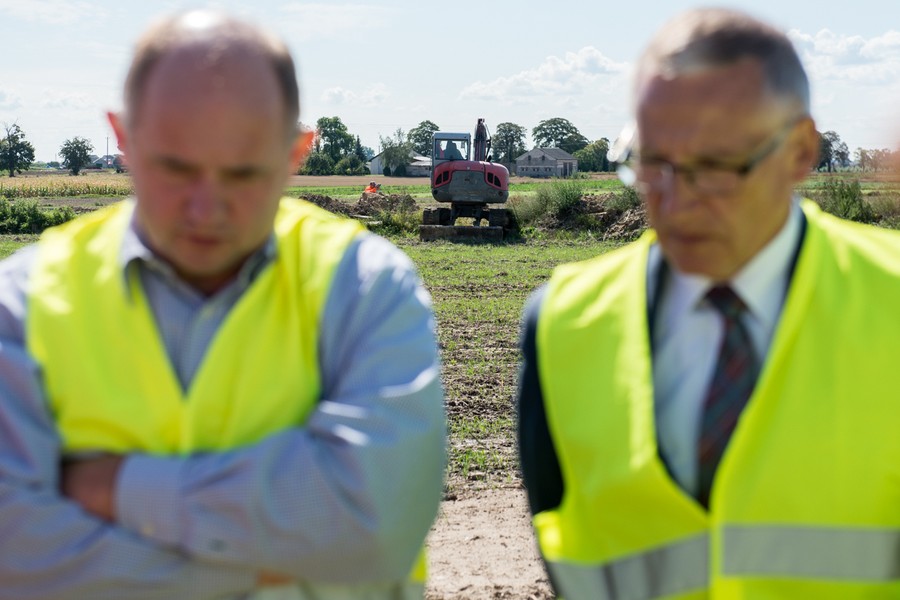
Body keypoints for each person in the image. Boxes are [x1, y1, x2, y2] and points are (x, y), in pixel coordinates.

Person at [0, 10, 445, 600]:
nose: (206, 209)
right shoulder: (24, 300)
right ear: (123, 139)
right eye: (176, 168)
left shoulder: (365, 285)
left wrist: (117, 490)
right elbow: (14, 551)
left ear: (297, 153)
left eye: (243, 174)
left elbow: (380, 521)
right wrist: (281, 559)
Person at [517, 7, 900, 599]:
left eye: (716, 168)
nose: (676, 203)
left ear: (801, 150)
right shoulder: (561, 326)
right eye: (652, 165)